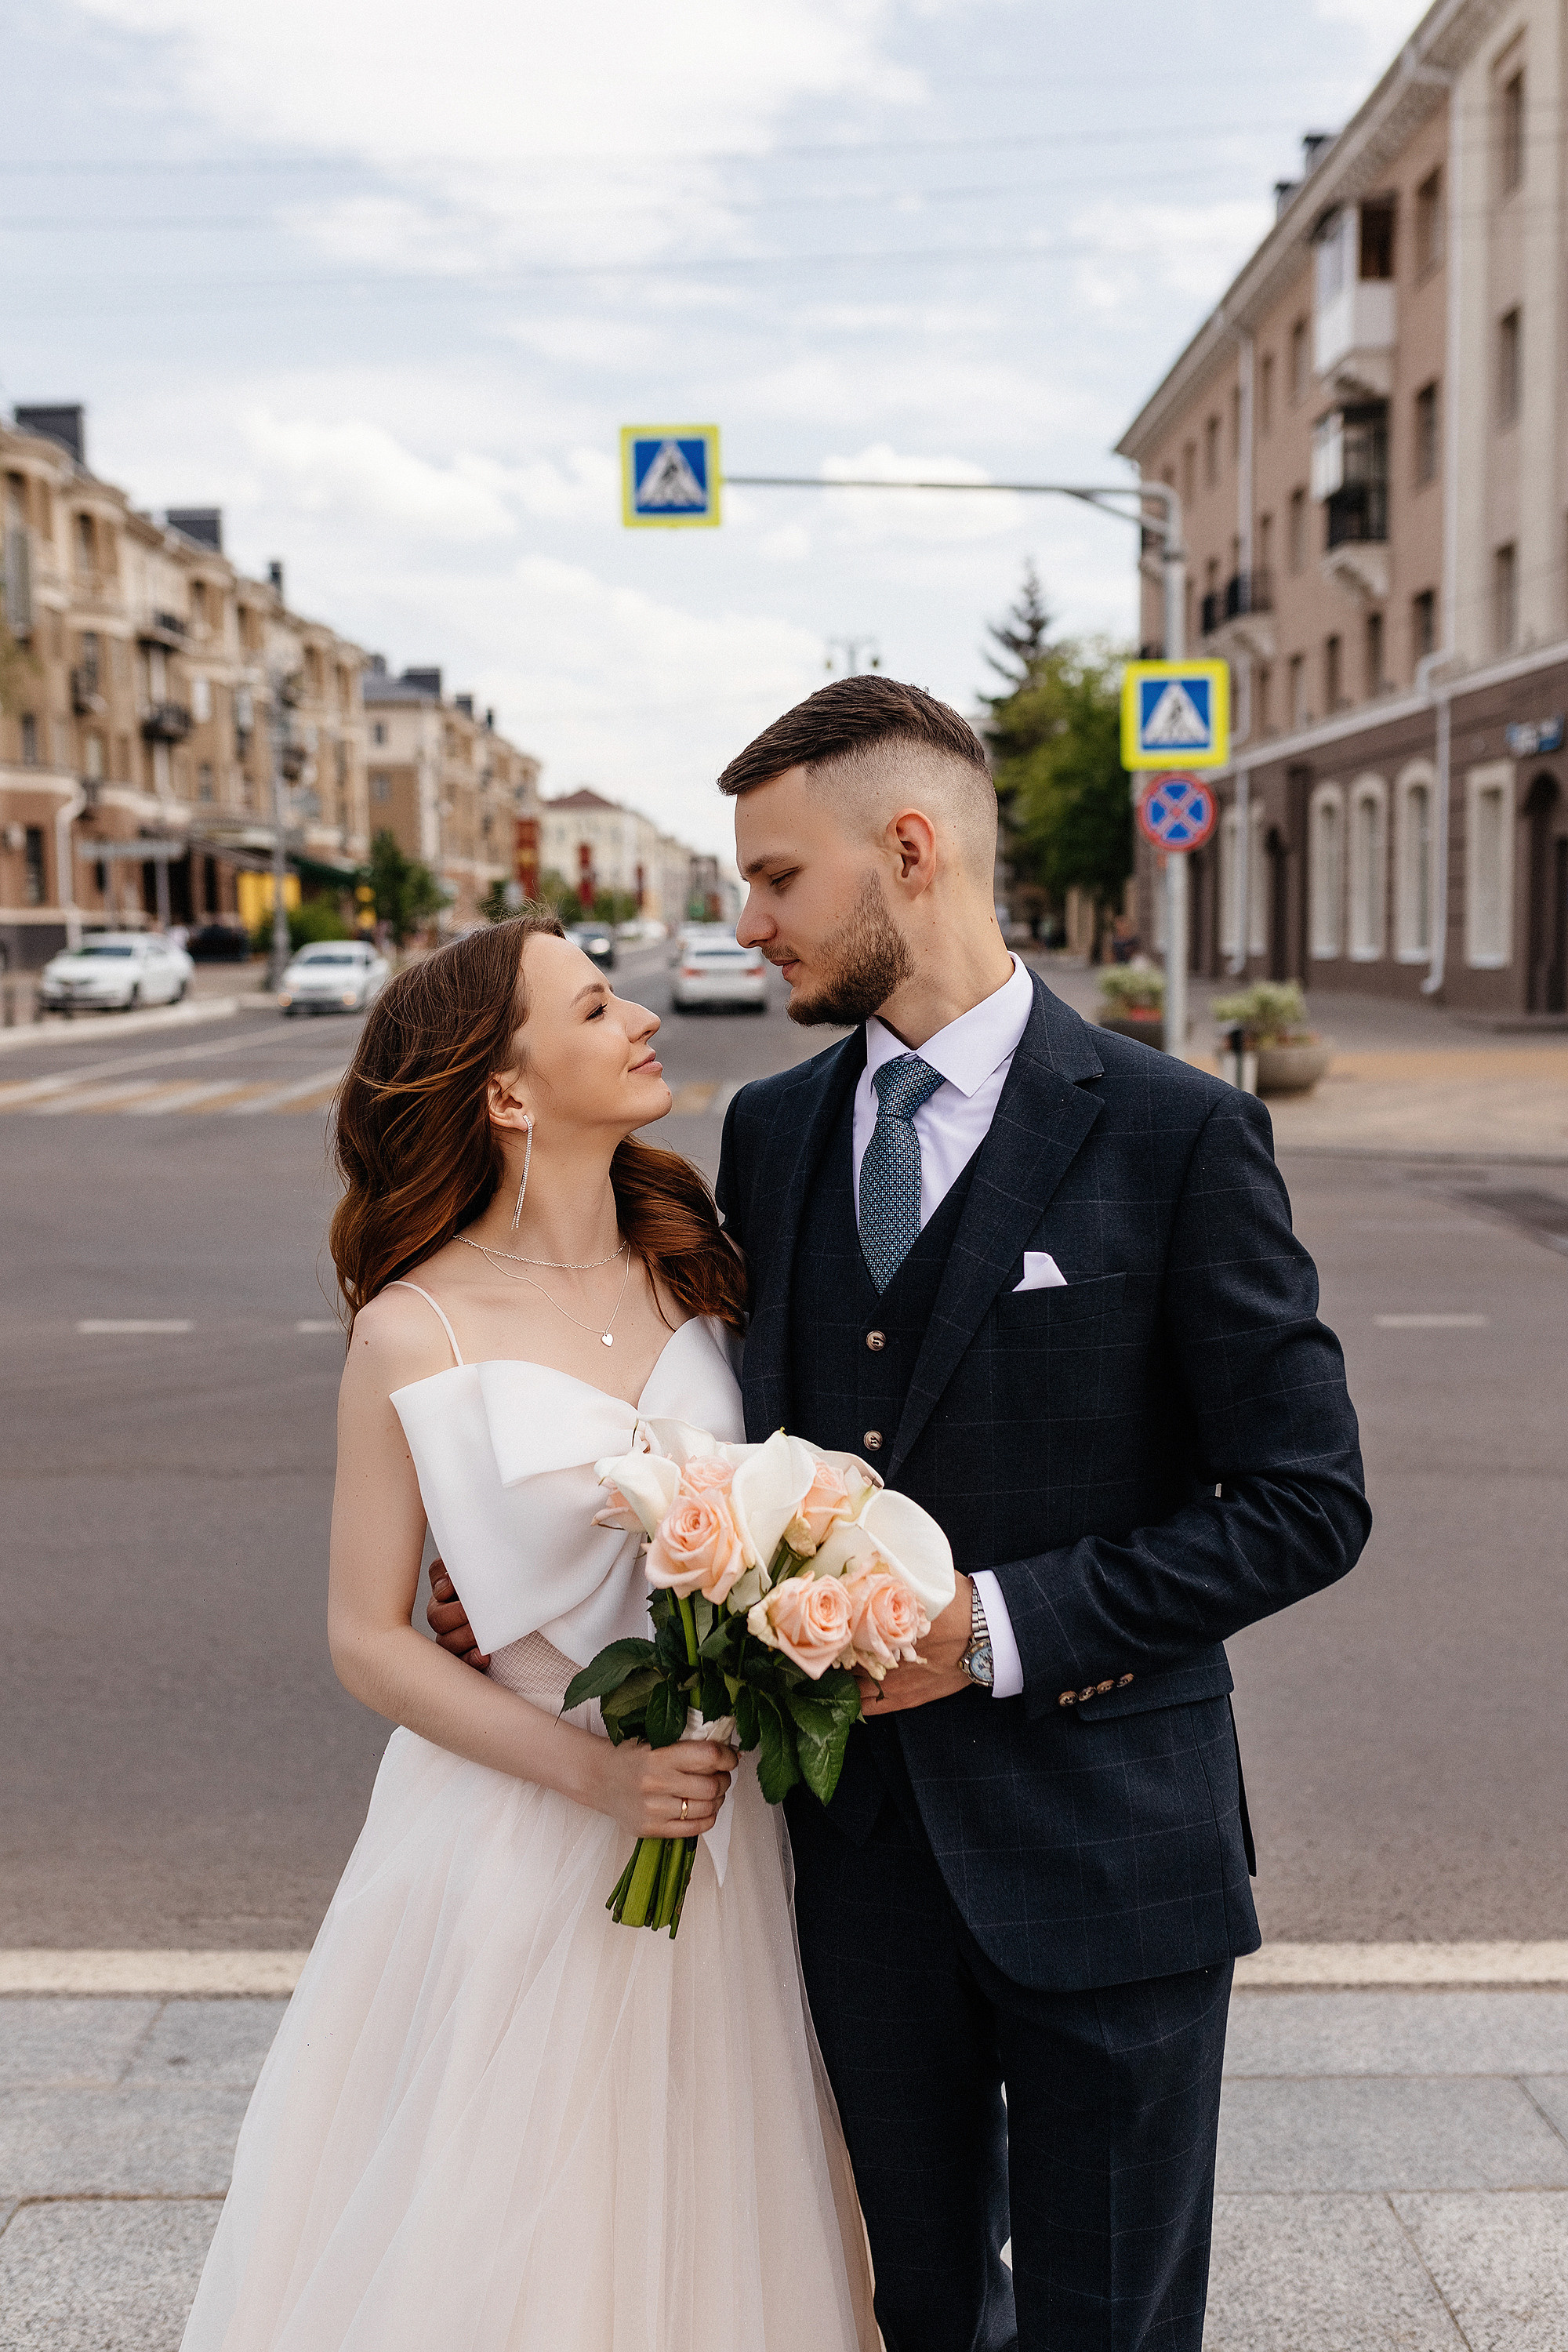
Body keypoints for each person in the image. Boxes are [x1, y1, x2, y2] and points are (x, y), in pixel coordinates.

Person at [430, 678, 1370, 2349]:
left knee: (1105, 2324)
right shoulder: (772, 1134)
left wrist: (988, 1631)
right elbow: (692, 1423)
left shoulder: (1176, 1134)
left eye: (778, 878)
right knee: (915, 2310)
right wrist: (518, 1565)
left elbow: (1304, 1501)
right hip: (852, 1859)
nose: (747, 919)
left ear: (909, 851)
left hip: (1108, 1849)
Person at [180, 912, 875, 2352]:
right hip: (520, 1832)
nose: (643, 1022)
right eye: (597, 1005)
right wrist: (595, 1777)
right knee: (512, 2242)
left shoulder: (705, 1272)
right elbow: (367, 1637)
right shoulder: (410, 1331)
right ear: (507, 1094)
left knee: (716, 2214)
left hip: (723, 1826)